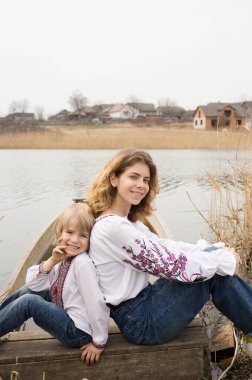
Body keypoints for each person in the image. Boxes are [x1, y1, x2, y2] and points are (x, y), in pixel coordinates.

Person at [87, 148, 252, 345]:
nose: (141, 185)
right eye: (134, 177)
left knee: (212, 263)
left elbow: (169, 247)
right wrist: (224, 260)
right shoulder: (112, 228)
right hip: (140, 323)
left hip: (146, 302)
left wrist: (216, 251)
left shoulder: (129, 223)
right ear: (114, 179)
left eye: (146, 180)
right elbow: (172, 266)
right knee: (214, 273)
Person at [0, 202, 110, 364]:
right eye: (70, 232)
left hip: (78, 332)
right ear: (59, 234)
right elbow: (32, 284)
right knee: (28, 292)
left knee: (29, 302)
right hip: (67, 315)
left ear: (90, 239)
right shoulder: (63, 259)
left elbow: (96, 302)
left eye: (83, 235)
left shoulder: (82, 264)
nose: (74, 240)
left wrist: (99, 341)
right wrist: (52, 261)